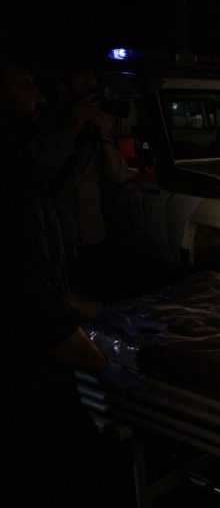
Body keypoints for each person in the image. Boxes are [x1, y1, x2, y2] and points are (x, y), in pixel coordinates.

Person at [0, 53, 132, 506]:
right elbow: (37, 307)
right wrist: (100, 364)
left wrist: (104, 313)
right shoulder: (27, 160)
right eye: (24, 83)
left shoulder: (37, 157)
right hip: (25, 375)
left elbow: (118, 178)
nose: (35, 94)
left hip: (84, 251)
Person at [29, 65, 128, 299]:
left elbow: (118, 175)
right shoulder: (44, 125)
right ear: (63, 90)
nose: (91, 93)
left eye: (94, 87)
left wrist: (105, 138)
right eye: (84, 87)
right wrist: (74, 124)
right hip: (56, 239)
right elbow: (41, 165)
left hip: (94, 236)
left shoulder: (94, 129)